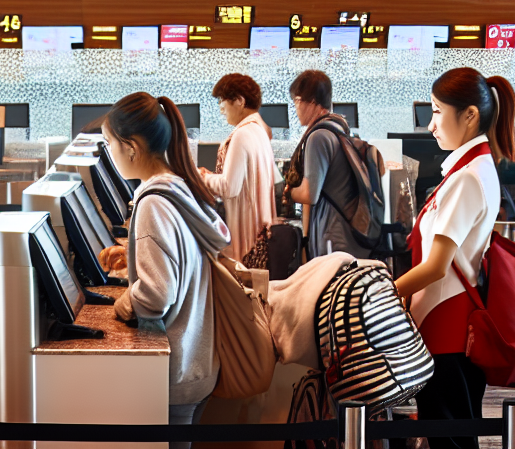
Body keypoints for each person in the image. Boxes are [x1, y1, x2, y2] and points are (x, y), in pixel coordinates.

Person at [394, 67, 515, 449]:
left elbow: (436, 266)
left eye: (435, 111)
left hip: (447, 324)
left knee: (450, 436)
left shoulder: (469, 177)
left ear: (469, 116)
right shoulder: (469, 170)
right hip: (442, 320)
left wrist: (385, 292)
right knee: (451, 431)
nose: (431, 125)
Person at [105, 92, 230, 449]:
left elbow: (156, 296)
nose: (109, 153)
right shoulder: (179, 187)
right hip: (197, 359)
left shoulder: (153, 203)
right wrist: (133, 253)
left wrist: (124, 303)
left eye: (109, 143)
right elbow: (180, 258)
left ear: (130, 147)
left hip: (174, 369)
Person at [282, 69, 374, 260]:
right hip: (342, 231)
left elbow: (309, 194)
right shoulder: (338, 128)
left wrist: (286, 190)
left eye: (298, 101)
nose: (296, 107)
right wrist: (306, 239)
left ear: (313, 102)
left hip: (332, 235)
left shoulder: (319, 136)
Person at [200, 73, 275, 263]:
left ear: (239, 101)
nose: (221, 109)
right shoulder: (260, 131)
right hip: (260, 234)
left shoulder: (242, 134)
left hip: (244, 235)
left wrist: (200, 176)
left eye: (222, 102)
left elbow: (229, 187)